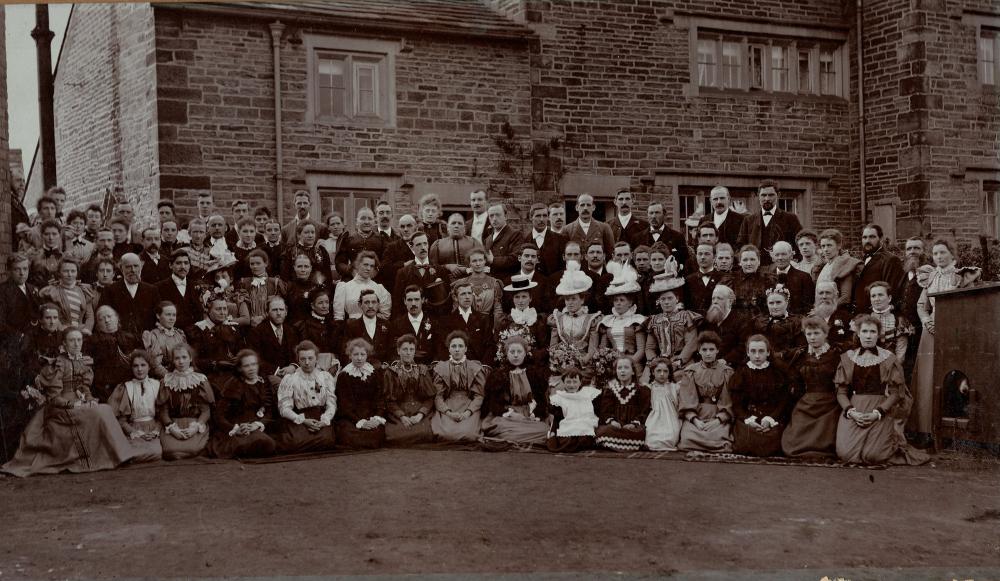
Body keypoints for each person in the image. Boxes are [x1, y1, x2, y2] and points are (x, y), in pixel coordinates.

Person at [2, 328, 136, 477]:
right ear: (64, 344)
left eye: (79, 340)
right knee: (99, 412)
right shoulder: (58, 364)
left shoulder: (81, 361)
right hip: (60, 406)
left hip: (80, 402)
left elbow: (84, 388)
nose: (76, 344)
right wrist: (71, 404)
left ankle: (119, 456)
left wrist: (90, 399)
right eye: (72, 340)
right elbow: (54, 396)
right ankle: (103, 458)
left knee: (104, 409)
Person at [909, 238, 982, 444]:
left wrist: (951, 324)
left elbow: (970, 305)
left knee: (951, 377)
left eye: (942, 252)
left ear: (952, 254)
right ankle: (925, 431)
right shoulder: (930, 277)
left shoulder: (962, 276)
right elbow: (921, 305)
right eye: (935, 254)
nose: (939, 257)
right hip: (930, 331)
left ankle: (953, 433)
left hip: (954, 331)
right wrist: (926, 321)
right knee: (927, 378)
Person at [836, 315, 929, 465]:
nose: (868, 336)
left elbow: (895, 393)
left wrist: (878, 413)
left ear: (878, 334)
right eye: (864, 331)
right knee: (846, 454)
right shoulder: (848, 358)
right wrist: (851, 411)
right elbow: (841, 392)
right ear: (858, 333)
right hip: (855, 408)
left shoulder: (888, 358)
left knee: (874, 455)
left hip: (880, 408)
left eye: (872, 332)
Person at [780, 317, 842, 459]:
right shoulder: (800, 354)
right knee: (792, 442)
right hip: (806, 402)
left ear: (825, 334)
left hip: (830, 404)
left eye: (816, 333)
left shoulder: (836, 354)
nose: (812, 338)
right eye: (809, 334)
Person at [728, 335, 793, 457]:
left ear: (768, 352)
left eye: (761, 351)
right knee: (745, 441)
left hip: (772, 417)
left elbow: (783, 402)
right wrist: (748, 420)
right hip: (748, 417)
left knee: (773, 440)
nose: (757, 356)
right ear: (748, 352)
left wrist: (770, 419)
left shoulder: (778, 372)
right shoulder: (741, 372)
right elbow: (736, 404)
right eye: (753, 351)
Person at [481, 336, 550, 446]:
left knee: (545, 430)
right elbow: (494, 404)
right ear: (506, 354)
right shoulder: (498, 375)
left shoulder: (534, 373)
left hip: (528, 415)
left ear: (525, 353)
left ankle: (516, 436)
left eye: (519, 351)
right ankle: (519, 436)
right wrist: (510, 414)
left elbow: (541, 401)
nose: (516, 355)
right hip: (508, 417)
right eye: (512, 352)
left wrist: (534, 415)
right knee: (501, 427)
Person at [274, 341, 338, 453]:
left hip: (320, 416)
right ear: (298, 360)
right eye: (303, 359)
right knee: (295, 443)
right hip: (299, 417)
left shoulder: (325, 377)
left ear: (316, 359)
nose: (307, 362)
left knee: (327, 440)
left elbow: (331, 403)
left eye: (310, 358)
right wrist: (302, 420)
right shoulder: (290, 379)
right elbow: (284, 408)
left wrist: (325, 420)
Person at [676, 332, 734, 452]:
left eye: (711, 349)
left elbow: (727, 400)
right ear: (699, 351)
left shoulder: (727, 372)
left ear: (717, 350)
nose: (708, 353)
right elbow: (687, 399)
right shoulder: (691, 371)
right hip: (697, 414)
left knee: (720, 438)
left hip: (718, 414)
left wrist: (718, 420)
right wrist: (695, 420)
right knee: (687, 439)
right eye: (704, 349)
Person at [157, 344, 214, 460]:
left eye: (184, 357)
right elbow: (163, 411)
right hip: (173, 423)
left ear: (190, 358)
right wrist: (172, 429)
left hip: (194, 423)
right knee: (170, 450)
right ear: (173, 360)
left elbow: (206, 411)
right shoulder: (167, 380)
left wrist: (195, 427)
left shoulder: (200, 380)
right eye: (177, 358)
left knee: (192, 449)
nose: (181, 362)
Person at [547, 262, 602, 380]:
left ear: (582, 300)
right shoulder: (558, 317)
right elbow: (553, 346)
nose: (570, 302)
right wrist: (558, 357)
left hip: (583, 366)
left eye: (573, 299)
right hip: (561, 365)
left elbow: (593, 348)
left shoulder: (591, 319)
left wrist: (582, 360)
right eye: (567, 299)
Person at [108, 350, 163, 463]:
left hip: (153, 428)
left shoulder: (157, 385)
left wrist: (156, 431)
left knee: (156, 453)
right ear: (131, 368)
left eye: (143, 365)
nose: (139, 369)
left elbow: (162, 415)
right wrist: (135, 433)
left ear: (149, 367)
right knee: (129, 453)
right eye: (135, 366)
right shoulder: (126, 387)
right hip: (134, 429)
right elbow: (122, 421)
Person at [431, 331, 487, 442]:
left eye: (460, 346)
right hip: (448, 405)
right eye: (454, 346)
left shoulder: (474, 367)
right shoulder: (441, 367)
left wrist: (468, 412)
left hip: (469, 405)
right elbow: (438, 396)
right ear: (449, 349)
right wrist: (448, 412)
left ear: (465, 349)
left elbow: (479, 395)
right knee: (445, 434)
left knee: (469, 434)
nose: (457, 349)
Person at [384, 335, 437, 446]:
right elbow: (389, 400)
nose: (408, 353)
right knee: (394, 436)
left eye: (411, 349)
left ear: (414, 352)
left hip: (419, 410)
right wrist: (401, 416)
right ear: (398, 351)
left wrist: (420, 415)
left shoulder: (422, 370)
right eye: (405, 349)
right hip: (399, 412)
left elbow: (430, 398)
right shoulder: (391, 372)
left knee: (426, 433)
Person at [645, 270, 702, 372]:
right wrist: (653, 360)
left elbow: (691, 343)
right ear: (659, 301)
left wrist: (680, 360)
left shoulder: (686, 316)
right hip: (659, 362)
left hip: (682, 361)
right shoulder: (654, 320)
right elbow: (649, 347)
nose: (666, 302)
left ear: (677, 299)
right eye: (663, 299)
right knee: (645, 382)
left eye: (670, 298)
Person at [334, 338, 387, 449]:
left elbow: (380, 398)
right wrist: (360, 421)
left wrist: (376, 418)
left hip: (370, 415)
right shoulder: (344, 375)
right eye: (355, 354)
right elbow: (344, 405)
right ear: (350, 355)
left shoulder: (373, 373)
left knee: (377, 434)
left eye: (362, 354)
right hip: (351, 417)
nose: (359, 358)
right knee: (350, 435)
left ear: (367, 355)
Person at [736, 179, 803, 266]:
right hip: (756, 269)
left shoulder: (790, 218)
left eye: (771, 195)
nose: (767, 199)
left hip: (780, 268)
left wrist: (794, 261)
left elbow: (800, 243)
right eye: (763, 195)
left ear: (778, 195)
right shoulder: (749, 220)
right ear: (758, 196)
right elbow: (740, 246)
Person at [595, 357, 651, 452]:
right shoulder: (610, 390)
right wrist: (612, 422)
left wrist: (634, 424)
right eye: (619, 368)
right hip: (616, 426)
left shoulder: (642, 390)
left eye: (626, 368)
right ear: (616, 372)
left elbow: (644, 411)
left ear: (633, 372)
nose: (622, 371)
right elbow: (605, 411)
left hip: (633, 427)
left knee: (640, 432)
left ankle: (616, 444)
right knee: (603, 431)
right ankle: (625, 444)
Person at [88, 306, 143, 401]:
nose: (106, 321)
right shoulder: (93, 340)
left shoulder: (130, 337)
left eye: (109, 316)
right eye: (101, 319)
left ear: (117, 318)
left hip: (130, 379)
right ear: (97, 325)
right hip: (106, 383)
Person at [98, 253, 161, 336]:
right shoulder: (110, 290)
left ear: (141, 267)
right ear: (121, 268)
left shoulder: (152, 290)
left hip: (147, 340)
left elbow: (159, 317)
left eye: (136, 266)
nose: (133, 270)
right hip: (119, 339)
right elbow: (103, 317)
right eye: (128, 267)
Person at [494, 275, 548, 365]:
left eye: (524, 297)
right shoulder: (506, 321)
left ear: (530, 298)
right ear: (513, 299)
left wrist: (531, 352)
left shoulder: (538, 320)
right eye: (517, 297)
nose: (520, 301)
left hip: (532, 363)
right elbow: (499, 345)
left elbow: (544, 347)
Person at [599, 267, 647, 370]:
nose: (618, 303)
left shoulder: (636, 320)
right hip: (613, 364)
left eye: (622, 300)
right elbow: (603, 348)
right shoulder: (608, 321)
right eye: (616, 300)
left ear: (630, 303)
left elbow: (641, 350)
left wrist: (629, 364)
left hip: (633, 363)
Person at [852, 224, 905, 315]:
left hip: (878, 314)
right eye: (864, 237)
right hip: (860, 314)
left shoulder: (890, 260)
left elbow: (891, 289)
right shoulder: (863, 259)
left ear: (881, 239)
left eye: (872, 237)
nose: (867, 241)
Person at [545, 367, 600, 453]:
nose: (572, 385)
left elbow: (597, 411)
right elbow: (557, 418)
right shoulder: (560, 398)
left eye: (575, 382)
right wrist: (553, 432)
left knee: (585, 438)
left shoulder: (587, 393)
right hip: (569, 425)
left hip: (585, 424)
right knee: (565, 440)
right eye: (568, 382)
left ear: (580, 382)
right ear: (563, 382)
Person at [40, 258, 96, 335]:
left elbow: (90, 316)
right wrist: (63, 330)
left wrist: (87, 329)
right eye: (66, 271)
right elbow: (53, 316)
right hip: (61, 332)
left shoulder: (84, 291)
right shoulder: (53, 292)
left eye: (73, 271)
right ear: (59, 273)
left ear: (77, 272)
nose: (70, 274)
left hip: (81, 332)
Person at [451, 248, 505, 327]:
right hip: (466, 323)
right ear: (469, 263)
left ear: (485, 261)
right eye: (474, 261)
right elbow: (456, 309)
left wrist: (497, 329)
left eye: (480, 260)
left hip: (487, 325)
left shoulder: (494, 283)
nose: (478, 264)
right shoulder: (461, 283)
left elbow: (498, 310)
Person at [749, 288, 805, 363]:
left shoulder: (797, 321)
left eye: (778, 302)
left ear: (786, 303)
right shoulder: (758, 321)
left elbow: (801, 347)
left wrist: (782, 355)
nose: (775, 307)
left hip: (788, 363)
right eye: (771, 303)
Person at [900, 237, 928, 383]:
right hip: (904, 330)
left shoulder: (930, 274)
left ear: (923, 251)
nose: (912, 252)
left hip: (922, 329)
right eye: (909, 248)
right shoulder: (904, 275)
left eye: (916, 248)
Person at [332, 251, 391, 321]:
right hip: (351, 328)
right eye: (365, 265)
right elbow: (338, 316)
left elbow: (385, 315)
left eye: (372, 266)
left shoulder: (379, 288)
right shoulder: (345, 287)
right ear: (358, 265)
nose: (368, 268)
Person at [236, 249, 287, 328]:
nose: (255, 266)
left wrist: (262, 318)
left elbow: (281, 307)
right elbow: (242, 306)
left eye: (258, 263)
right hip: (249, 325)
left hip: (270, 324)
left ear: (265, 264)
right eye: (252, 264)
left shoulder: (276, 283)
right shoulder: (244, 283)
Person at [341, 290, 393, 366]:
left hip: (383, 369)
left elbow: (392, 349)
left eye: (374, 302)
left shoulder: (387, 325)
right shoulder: (352, 326)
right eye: (366, 302)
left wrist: (386, 364)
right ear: (360, 305)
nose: (370, 306)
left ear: (378, 305)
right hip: (360, 369)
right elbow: (346, 352)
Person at [292, 288, 340, 368]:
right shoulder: (303, 326)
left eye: (327, 302)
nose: (324, 306)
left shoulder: (333, 325)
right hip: (310, 365)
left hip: (332, 365)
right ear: (312, 306)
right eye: (320, 303)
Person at [865, 280, 913, 361]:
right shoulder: (864, 319)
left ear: (889, 298)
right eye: (873, 296)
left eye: (880, 295)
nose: (877, 299)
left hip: (891, 365)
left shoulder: (899, 320)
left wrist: (894, 369)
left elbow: (900, 353)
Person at [335, 207, 388, 281]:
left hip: (376, 280)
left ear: (374, 221)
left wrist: (377, 271)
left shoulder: (381, 239)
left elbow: (386, 261)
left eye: (370, 219)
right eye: (363, 218)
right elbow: (340, 263)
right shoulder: (348, 238)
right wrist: (351, 271)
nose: (366, 222)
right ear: (356, 221)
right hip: (353, 279)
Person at [721, 244, 774, 318]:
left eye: (752, 259)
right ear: (740, 262)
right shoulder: (731, 280)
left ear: (759, 261)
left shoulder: (768, 280)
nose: (749, 263)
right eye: (745, 260)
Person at [429, 213, 485, 280]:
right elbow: (432, 267)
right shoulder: (438, 244)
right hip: (445, 284)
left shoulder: (474, 243)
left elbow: (484, 266)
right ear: (448, 227)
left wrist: (468, 269)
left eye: (460, 223)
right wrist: (448, 266)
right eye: (453, 223)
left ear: (464, 227)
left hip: (471, 282)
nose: (456, 226)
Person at [764, 241, 814, 315]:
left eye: (783, 254)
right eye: (777, 255)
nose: (780, 258)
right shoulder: (766, 278)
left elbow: (808, 305)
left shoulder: (804, 278)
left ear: (791, 256)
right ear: (773, 258)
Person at [142, 301, 189, 379]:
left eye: (174, 315)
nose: (172, 318)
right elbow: (156, 366)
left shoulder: (180, 334)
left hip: (183, 374)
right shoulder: (153, 335)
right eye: (168, 315)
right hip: (165, 378)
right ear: (158, 316)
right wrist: (172, 378)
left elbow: (187, 358)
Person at [816, 229, 860, 311]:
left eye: (829, 245)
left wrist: (823, 309)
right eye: (823, 246)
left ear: (839, 246)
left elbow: (845, 298)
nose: (825, 249)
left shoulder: (844, 264)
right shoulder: (825, 266)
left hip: (837, 312)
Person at [644, 357, 682, 452]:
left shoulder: (674, 387)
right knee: (651, 433)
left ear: (669, 373)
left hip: (671, 417)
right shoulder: (649, 388)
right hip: (654, 417)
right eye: (658, 371)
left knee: (671, 435)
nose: (662, 374)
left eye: (665, 371)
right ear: (653, 372)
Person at [636, 202, 688, 269]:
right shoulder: (637, 238)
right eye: (651, 213)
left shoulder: (677, 237)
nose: (653, 216)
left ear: (665, 215)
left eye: (657, 213)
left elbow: (685, 261)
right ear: (647, 215)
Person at [281, 220, 331, 286]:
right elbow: (285, 276)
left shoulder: (321, 251)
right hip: (294, 289)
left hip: (317, 289)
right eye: (306, 232)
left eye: (313, 232)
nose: (310, 235)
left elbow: (328, 275)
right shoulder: (290, 251)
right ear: (298, 234)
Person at [483, 202, 525, 279]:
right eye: (491, 216)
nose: (494, 219)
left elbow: (516, 259)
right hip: (491, 282)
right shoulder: (488, 239)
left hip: (508, 281)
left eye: (498, 215)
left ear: (506, 216)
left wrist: (494, 260)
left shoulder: (515, 235)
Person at [526, 202, 566, 275]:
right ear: (531, 217)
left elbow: (564, 266)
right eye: (538, 216)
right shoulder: (525, 240)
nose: (542, 219)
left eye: (544, 216)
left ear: (548, 217)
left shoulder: (560, 239)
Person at [684, 243, 722, 316]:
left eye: (707, 254)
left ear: (714, 257)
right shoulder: (688, 280)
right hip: (694, 323)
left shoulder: (723, 278)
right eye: (700, 254)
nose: (702, 257)